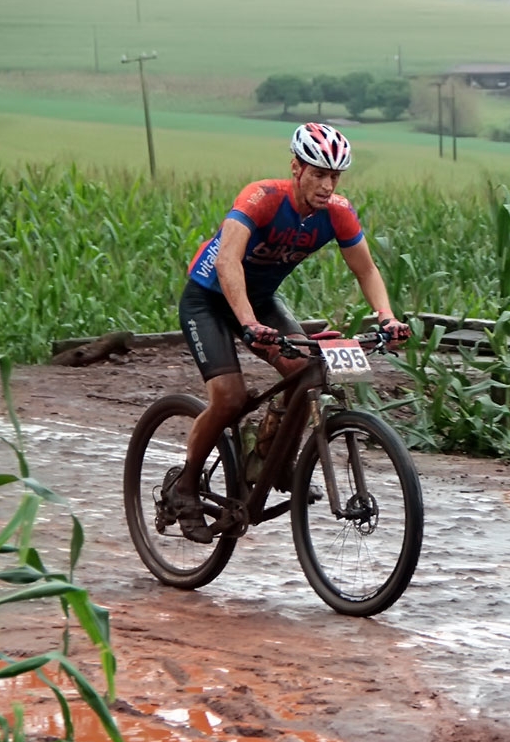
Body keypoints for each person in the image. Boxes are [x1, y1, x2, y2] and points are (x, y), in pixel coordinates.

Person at [166, 122, 409, 543]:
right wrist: (248, 323)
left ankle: (270, 459)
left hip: (261, 300)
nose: (327, 186)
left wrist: (386, 317)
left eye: (334, 177)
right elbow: (227, 261)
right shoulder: (261, 198)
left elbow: (366, 269)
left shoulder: (337, 212)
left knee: (306, 371)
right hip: (209, 299)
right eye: (318, 174)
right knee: (230, 397)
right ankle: (185, 486)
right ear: (296, 168)